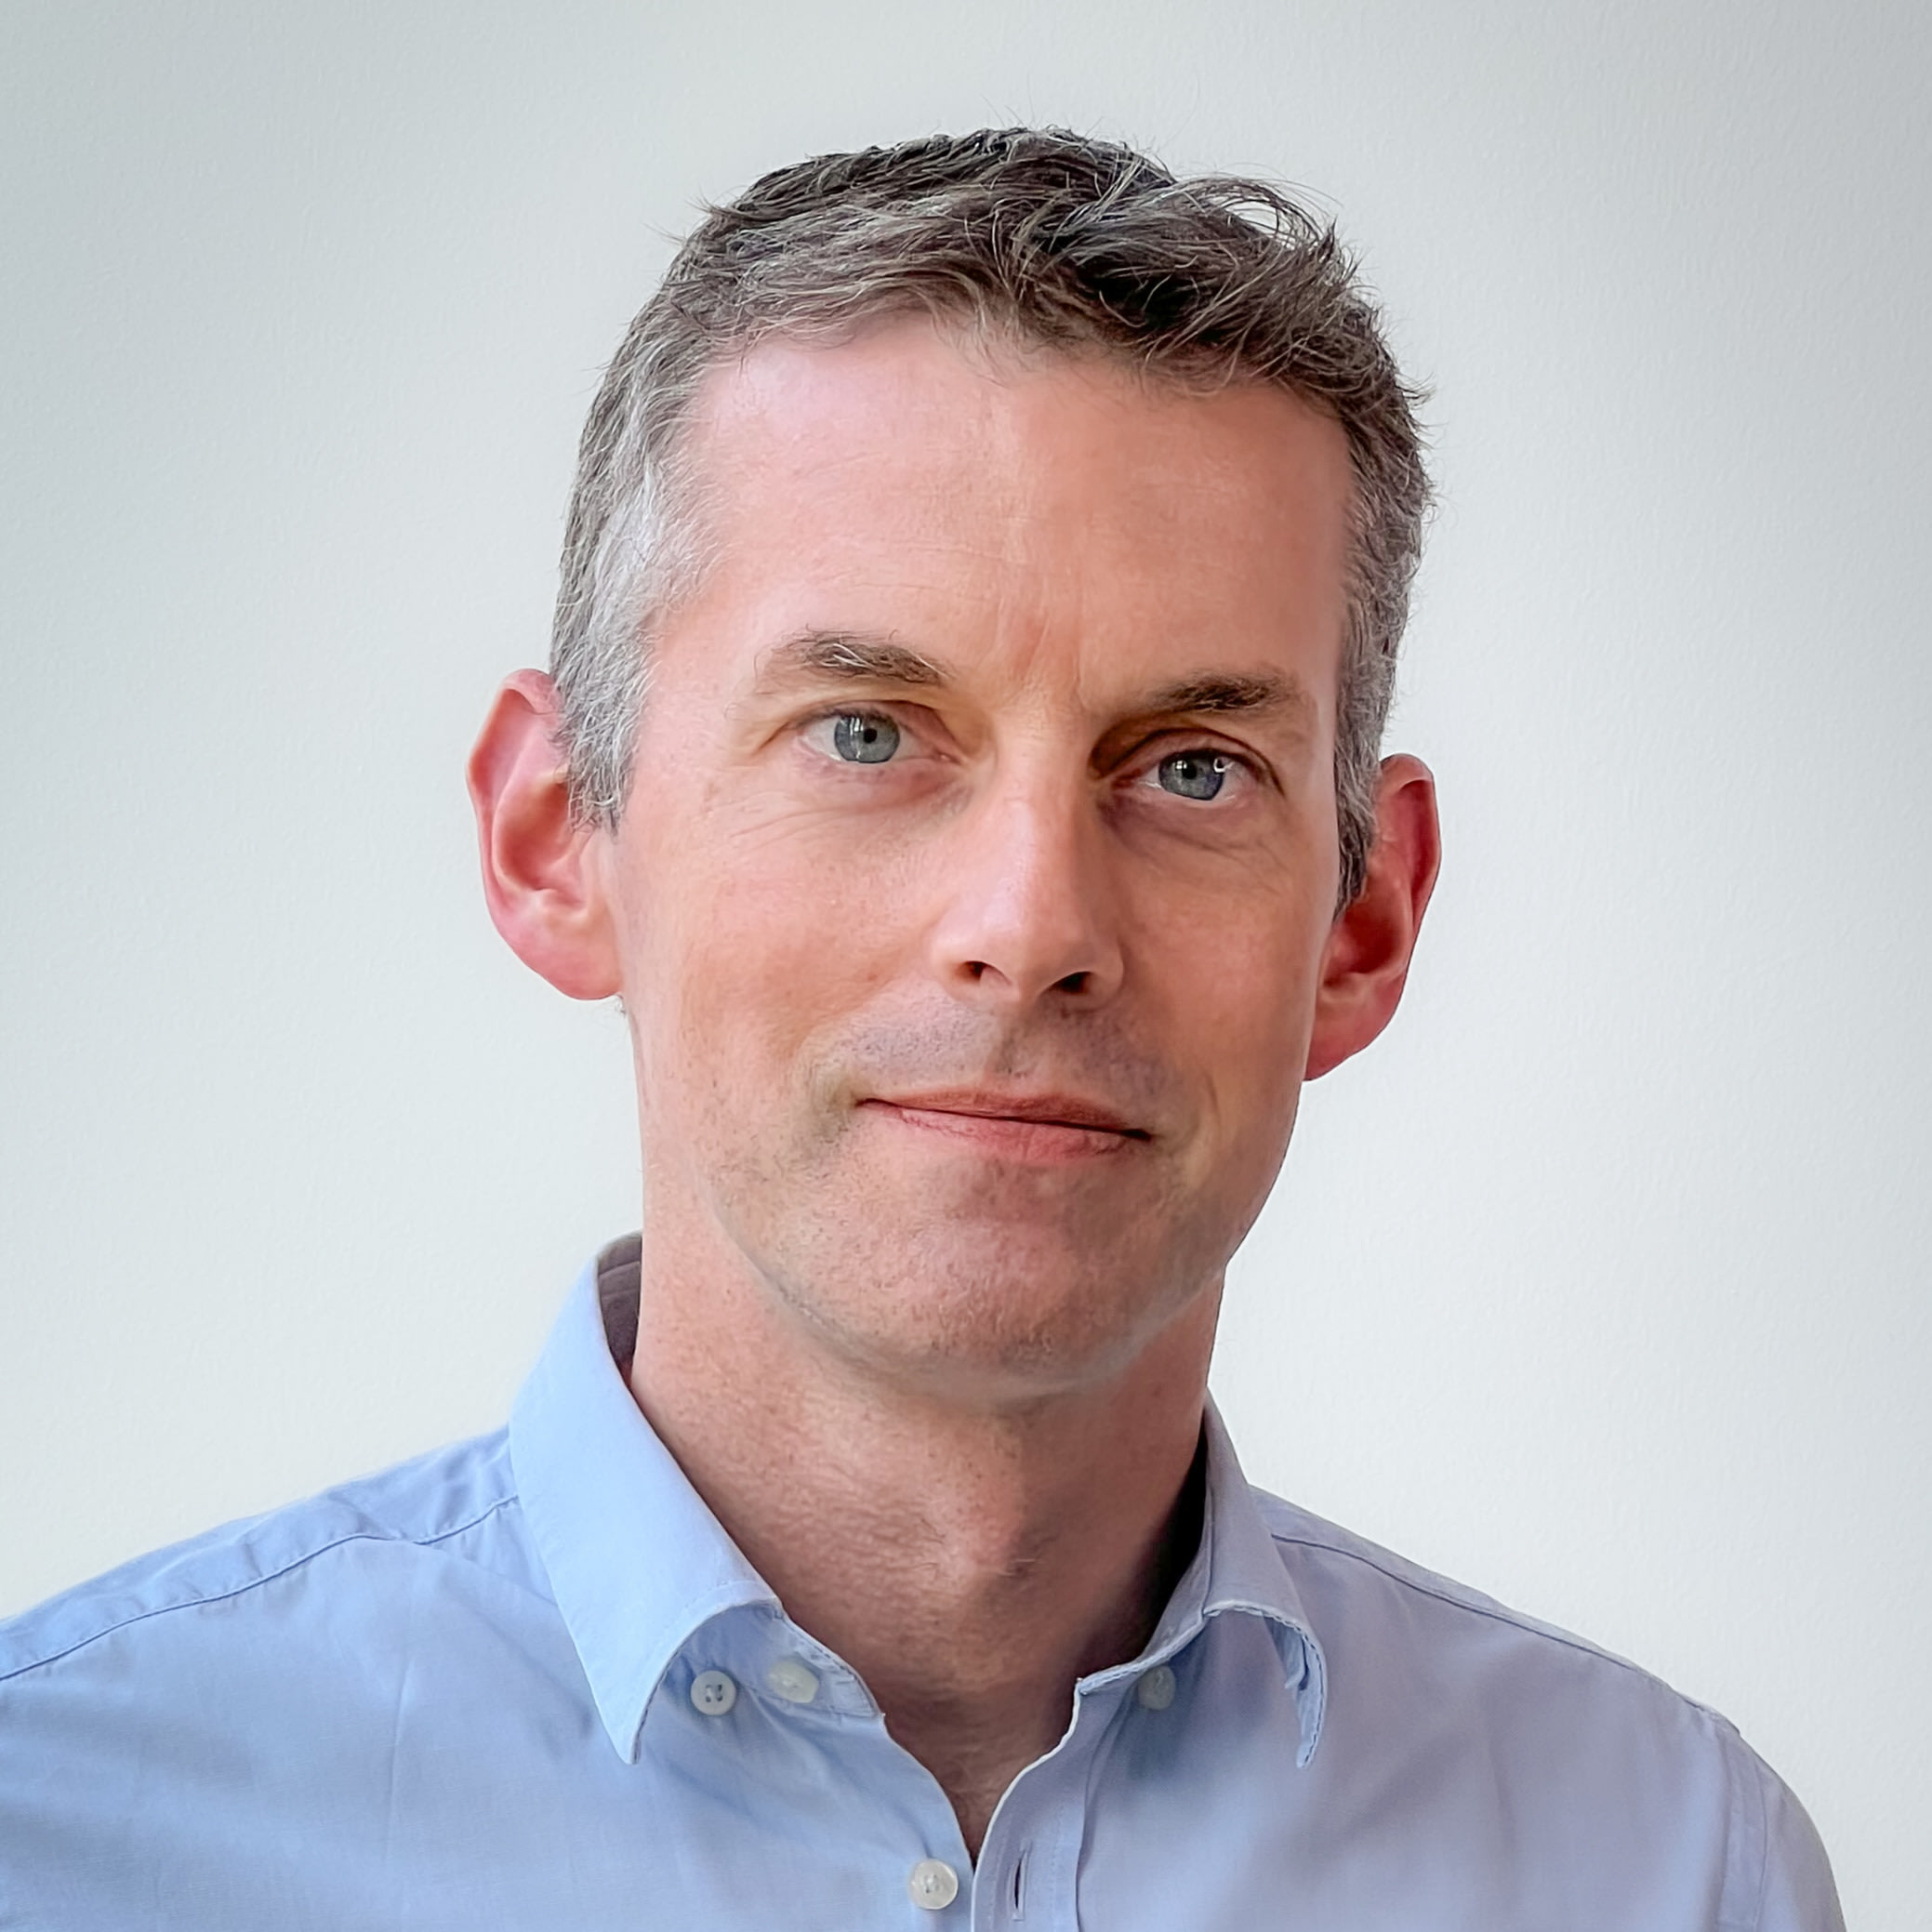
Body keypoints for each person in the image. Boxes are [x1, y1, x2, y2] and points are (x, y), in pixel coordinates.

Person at [0, 127, 1842, 1929]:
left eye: (1191, 766)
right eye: (867, 732)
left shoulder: (1670, 1868)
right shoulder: (58, 1837)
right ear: (557, 838)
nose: (1029, 929)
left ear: (1363, 922)